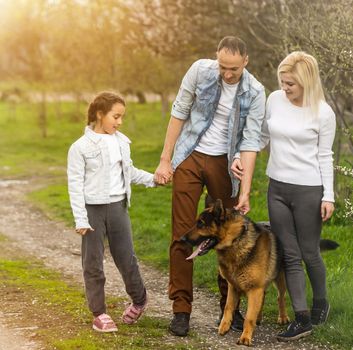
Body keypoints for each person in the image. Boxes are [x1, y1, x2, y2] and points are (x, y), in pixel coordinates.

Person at [154, 36, 266, 337]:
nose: (227, 73)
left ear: (246, 61)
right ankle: (181, 308)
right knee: (182, 233)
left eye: (233, 68)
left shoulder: (255, 91)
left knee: (228, 237)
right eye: (222, 66)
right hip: (190, 155)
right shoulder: (200, 71)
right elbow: (179, 112)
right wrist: (166, 160)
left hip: (224, 164)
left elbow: (251, 141)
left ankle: (229, 307)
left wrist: (244, 190)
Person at [258, 51, 336, 341]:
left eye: (290, 83)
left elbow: (325, 155)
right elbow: (265, 135)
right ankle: (301, 318)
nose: (284, 88)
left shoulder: (323, 113)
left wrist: (328, 196)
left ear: (306, 82)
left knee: (309, 252)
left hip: (308, 190)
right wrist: (245, 155)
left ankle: (321, 302)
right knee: (289, 255)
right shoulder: (274, 100)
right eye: (282, 81)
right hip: (276, 187)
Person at [67, 91, 156, 332]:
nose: (119, 122)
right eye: (115, 116)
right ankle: (99, 313)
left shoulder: (121, 142)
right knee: (93, 263)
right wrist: (81, 218)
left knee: (127, 259)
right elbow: (75, 185)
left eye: (121, 117)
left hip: (118, 208)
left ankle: (139, 299)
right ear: (99, 114)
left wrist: (153, 179)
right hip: (92, 210)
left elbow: (130, 172)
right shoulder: (80, 147)